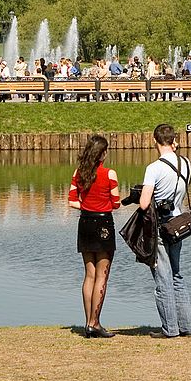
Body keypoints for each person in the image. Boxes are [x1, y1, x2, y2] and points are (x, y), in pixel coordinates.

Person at [138, 123, 191, 339]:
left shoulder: (154, 168)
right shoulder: (186, 163)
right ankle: (188, 326)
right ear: (173, 140)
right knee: (176, 274)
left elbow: (145, 204)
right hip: (178, 224)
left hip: (161, 227)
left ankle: (170, 329)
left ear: (155, 141)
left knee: (162, 277)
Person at [68, 135, 121, 338]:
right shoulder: (110, 174)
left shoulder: (79, 173)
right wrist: (100, 205)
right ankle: (95, 322)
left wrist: (88, 205)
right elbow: (115, 203)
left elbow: (72, 201)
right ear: (103, 153)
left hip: (85, 223)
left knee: (89, 275)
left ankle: (87, 322)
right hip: (103, 224)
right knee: (102, 276)